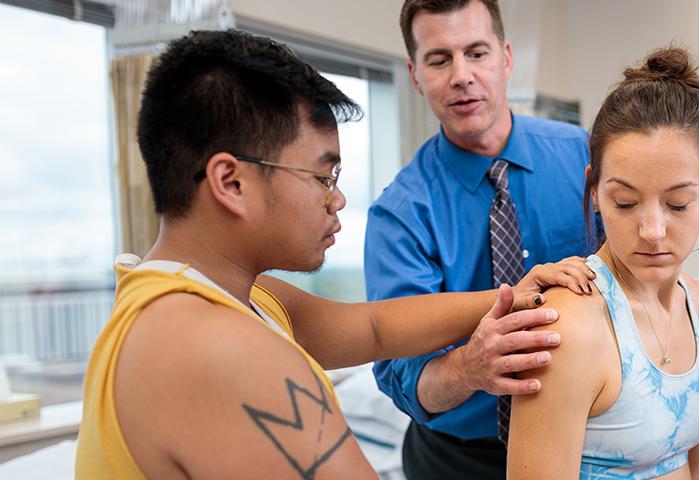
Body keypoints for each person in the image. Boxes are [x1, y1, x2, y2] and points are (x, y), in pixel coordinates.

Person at [74, 29, 593, 479]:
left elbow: (374, 328)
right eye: (324, 175)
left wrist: (517, 293)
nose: (338, 198)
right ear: (231, 182)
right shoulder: (221, 350)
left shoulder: (212, 294)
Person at [365, 0, 594, 479]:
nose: (461, 76)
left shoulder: (584, 157)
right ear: (414, 75)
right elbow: (403, 376)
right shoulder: (399, 214)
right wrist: (470, 367)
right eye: (439, 59)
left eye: (476, 53)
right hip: (459, 459)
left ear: (506, 59)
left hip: (586, 441)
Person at [507, 47, 699, 479]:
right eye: (625, 202)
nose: (652, 230)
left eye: (678, 204)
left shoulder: (696, 302)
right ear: (594, 190)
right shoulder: (569, 325)